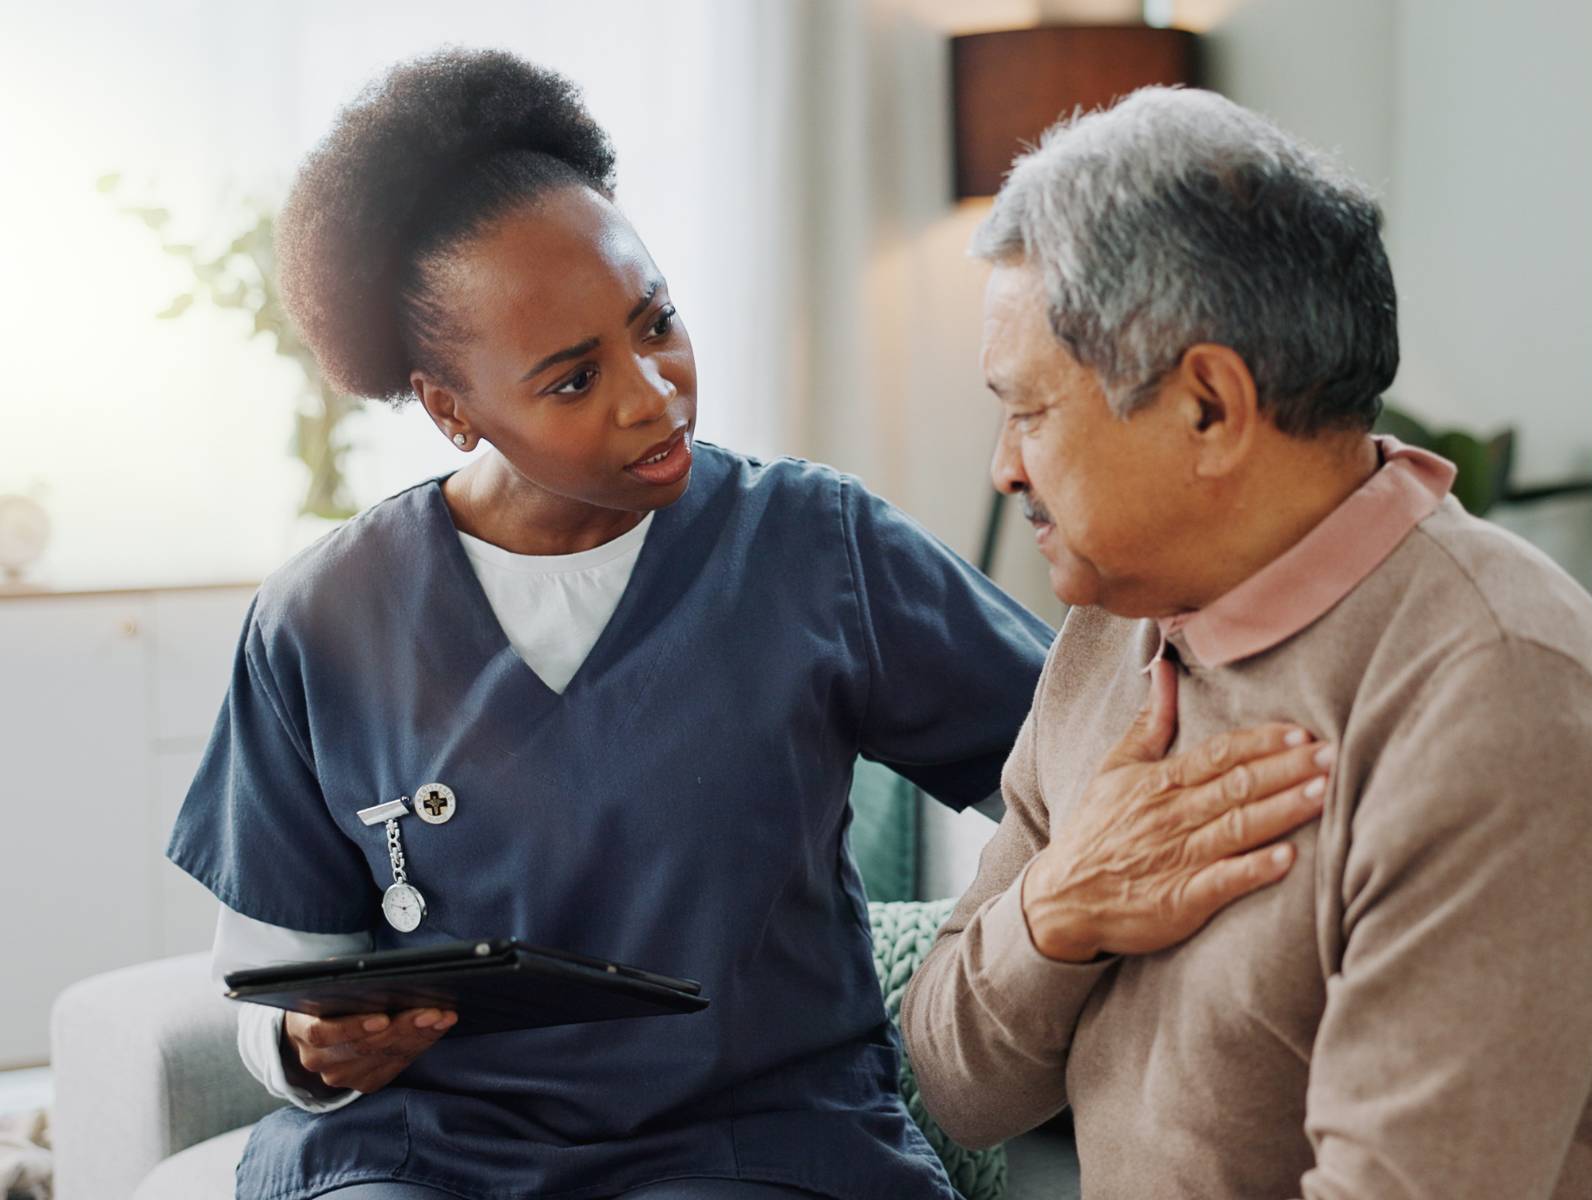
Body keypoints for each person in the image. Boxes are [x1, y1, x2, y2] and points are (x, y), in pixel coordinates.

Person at [166, 53, 1325, 1200]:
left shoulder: (813, 546)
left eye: (656, 321)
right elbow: (277, 985)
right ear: (451, 407)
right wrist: (314, 1051)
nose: (653, 390)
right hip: (428, 1153)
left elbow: (1084, 760)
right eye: (573, 380)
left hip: (755, 1144)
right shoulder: (321, 620)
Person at [900, 87, 1592, 1200]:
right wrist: (1059, 910)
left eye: (1032, 411)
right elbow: (956, 1090)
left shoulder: (1498, 694)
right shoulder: (1112, 625)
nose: (1006, 467)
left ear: (1209, 405)